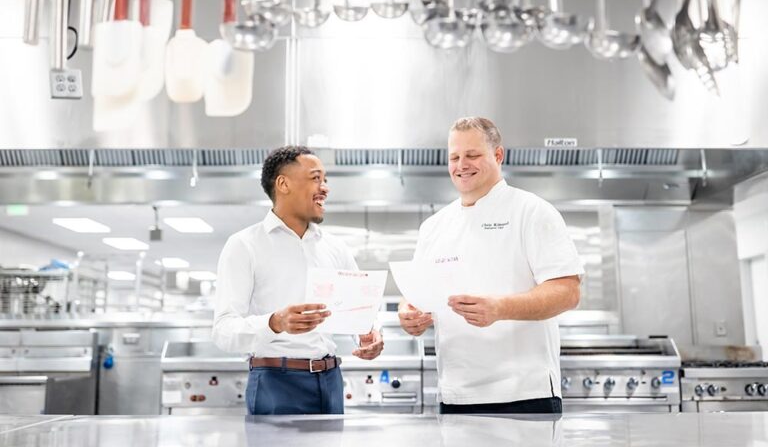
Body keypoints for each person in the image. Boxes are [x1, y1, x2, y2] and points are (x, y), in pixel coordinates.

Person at [398, 117, 583, 414]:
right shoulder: (434, 227)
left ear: (498, 155)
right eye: (454, 157)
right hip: (456, 396)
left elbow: (568, 291)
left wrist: (500, 308)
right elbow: (417, 294)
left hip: (524, 394)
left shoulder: (531, 212)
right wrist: (409, 313)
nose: (461, 165)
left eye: (472, 155)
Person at [213, 146, 384, 415]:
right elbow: (223, 331)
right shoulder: (244, 245)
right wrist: (275, 322)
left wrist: (369, 333)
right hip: (275, 382)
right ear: (283, 184)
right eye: (316, 178)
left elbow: (360, 313)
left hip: (330, 380)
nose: (325, 187)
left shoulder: (335, 248)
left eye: (325, 179)